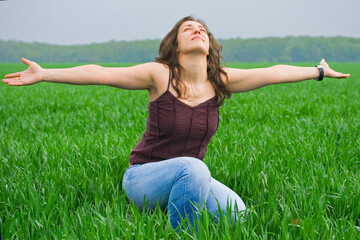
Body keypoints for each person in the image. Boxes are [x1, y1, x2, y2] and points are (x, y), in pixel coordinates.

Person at [2, 16, 350, 231]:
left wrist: (319, 71)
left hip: (187, 176)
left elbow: (274, 73)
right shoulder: (160, 75)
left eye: (202, 30)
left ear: (210, 44)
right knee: (194, 170)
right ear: (176, 44)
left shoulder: (221, 80)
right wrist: (45, 73)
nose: (197, 31)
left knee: (240, 215)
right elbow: (101, 73)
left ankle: (181, 208)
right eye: (189, 29)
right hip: (142, 178)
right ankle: (181, 232)